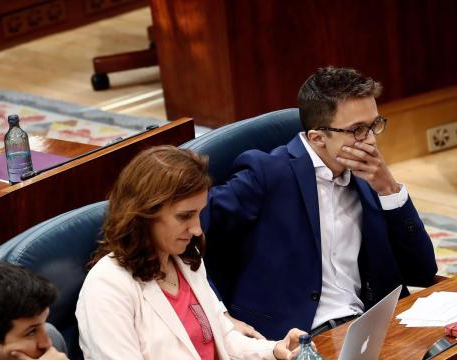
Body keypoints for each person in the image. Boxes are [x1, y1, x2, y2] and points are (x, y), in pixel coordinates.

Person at [201, 66, 437, 339]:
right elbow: (186, 232)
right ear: (317, 138)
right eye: (357, 130)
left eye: (374, 125)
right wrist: (219, 315)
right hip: (294, 337)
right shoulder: (267, 173)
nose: (371, 140)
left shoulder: (369, 176)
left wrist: (389, 189)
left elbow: (422, 271)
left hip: (367, 328)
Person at [76, 145, 306, 359]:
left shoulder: (185, 259)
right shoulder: (106, 288)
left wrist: (275, 349)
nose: (197, 229)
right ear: (143, 214)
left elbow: (223, 338)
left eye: (199, 213)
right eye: (184, 216)